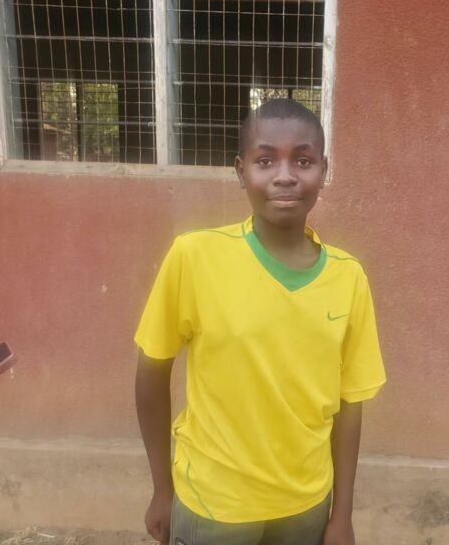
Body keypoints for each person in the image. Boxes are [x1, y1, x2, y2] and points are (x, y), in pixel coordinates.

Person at [134, 99, 386, 545]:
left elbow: (350, 404)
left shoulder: (348, 278)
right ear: (241, 170)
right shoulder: (195, 257)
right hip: (214, 504)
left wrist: (341, 514)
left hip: (306, 506)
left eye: (303, 161)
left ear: (323, 170)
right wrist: (162, 488)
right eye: (265, 161)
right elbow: (152, 373)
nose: (285, 176)